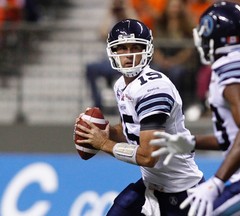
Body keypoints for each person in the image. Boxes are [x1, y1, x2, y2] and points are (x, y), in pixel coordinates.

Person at [150, 1, 240, 216]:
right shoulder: (235, 63)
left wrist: (217, 182)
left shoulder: (233, 66)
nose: (203, 40)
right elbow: (236, 138)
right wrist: (192, 142)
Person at [74, 19, 204, 216]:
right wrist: (104, 131)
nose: (130, 55)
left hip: (182, 192)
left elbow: (148, 156)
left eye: (136, 47)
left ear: (148, 50)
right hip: (150, 186)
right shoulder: (121, 85)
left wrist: (103, 144)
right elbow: (132, 131)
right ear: (113, 52)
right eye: (123, 48)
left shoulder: (154, 89)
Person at [85, 0, 138, 110]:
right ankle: (97, 103)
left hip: (129, 63)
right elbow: (102, 33)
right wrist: (110, 12)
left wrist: (127, 9)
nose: (119, 11)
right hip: (110, 62)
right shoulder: (113, 24)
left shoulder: (130, 25)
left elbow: (141, 30)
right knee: (91, 68)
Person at [151, 0, 196, 109]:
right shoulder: (160, 24)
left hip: (181, 62)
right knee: (155, 72)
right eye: (172, 6)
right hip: (162, 59)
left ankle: (176, 104)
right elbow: (154, 45)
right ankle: (156, 103)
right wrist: (161, 60)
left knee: (176, 73)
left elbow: (189, 49)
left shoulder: (187, 25)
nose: (174, 9)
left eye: (177, 7)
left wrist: (174, 61)